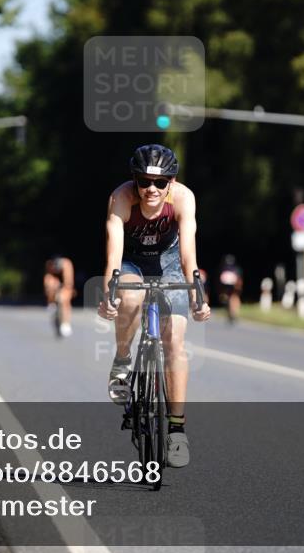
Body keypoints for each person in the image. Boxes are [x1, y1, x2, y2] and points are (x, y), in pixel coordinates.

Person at [98, 144, 211, 468]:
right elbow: (114, 255)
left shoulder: (184, 198)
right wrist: (110, 293)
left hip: (170, 263)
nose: (151, 189)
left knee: (174, 339)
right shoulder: (121, 199)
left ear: (171, 183)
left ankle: (176, 430)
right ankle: (122, 360)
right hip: (132, 263)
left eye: (160, 183)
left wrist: (196, 295)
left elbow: (189, 252)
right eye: (144, 181)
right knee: (130, 296)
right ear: (134, 180)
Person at [44, 255, 75, 337]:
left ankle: (66, 323)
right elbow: (47, 278)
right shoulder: (49, 264)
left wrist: (65, 292)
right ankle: (51, 304)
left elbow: (69, 282)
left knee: (65, 299)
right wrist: (51, 291)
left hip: (65, 283)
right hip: (55, 281)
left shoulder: (66, 264)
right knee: (49, 283)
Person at [217, 254, 244, 324]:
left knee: (230, 297)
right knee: (234, 297)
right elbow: (239, 279)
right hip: (231, 287)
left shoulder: (224, 268)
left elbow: (220, 281)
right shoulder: (235, 268)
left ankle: (232, 311)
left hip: (228, 287)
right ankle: (234, 312)